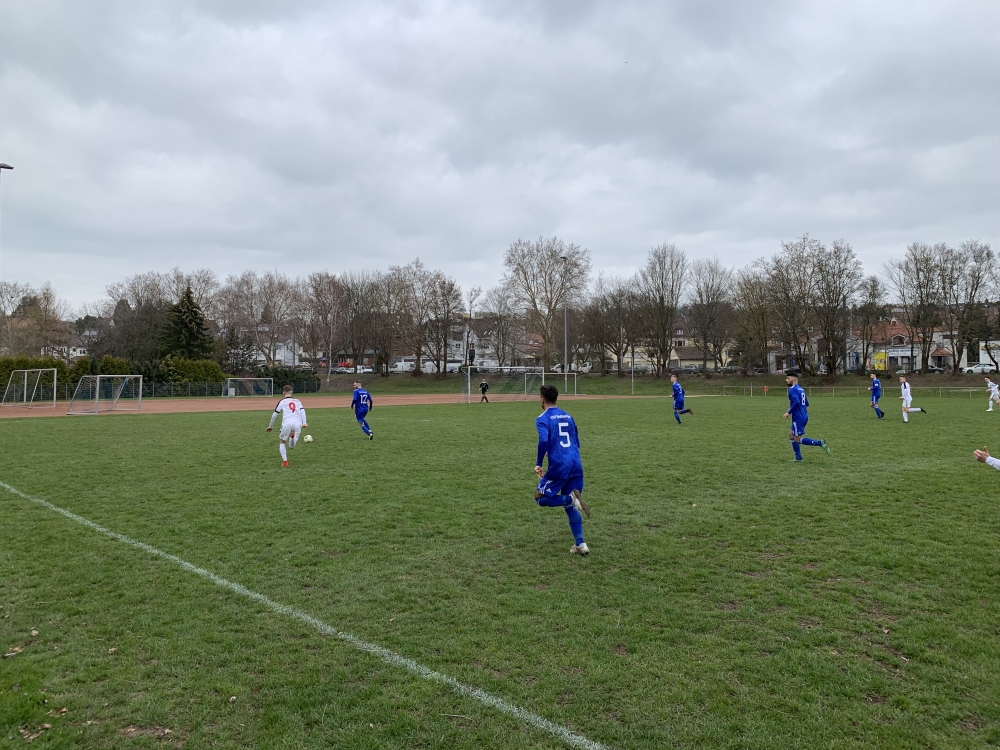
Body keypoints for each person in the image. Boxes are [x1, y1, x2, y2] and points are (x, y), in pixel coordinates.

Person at [533, 384, 591, 555]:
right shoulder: (568, 416)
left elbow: (544, 440)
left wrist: (539, 462)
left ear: (542, 399)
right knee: (570, 507)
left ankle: (570, 499)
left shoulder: (542, 418)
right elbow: (576, 442)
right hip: (575, 463)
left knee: (540, 498)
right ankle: (581, 544)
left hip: (560, 465)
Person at [781, 370, 830, 461]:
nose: (786, 380)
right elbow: (806, 403)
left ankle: (820, 443)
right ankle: (798, 458)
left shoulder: (792, 389)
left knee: (797, 439)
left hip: (798, 417)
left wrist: (788, 412)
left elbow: (796, 402)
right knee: (791, 435)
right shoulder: (801, 389)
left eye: (788, 378)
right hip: (803, 416)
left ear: (794, 380)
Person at [266, 385, 307, 467]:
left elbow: (275, 415)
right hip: (297, 423)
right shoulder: (297, 401)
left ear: (283, 392)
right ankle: (292, 437)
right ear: (292, 392)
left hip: (287, 423)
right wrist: (304, 422)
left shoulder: (282, 401)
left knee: (282, 442)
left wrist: (271, 426)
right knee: (292, 446)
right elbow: (302, 411)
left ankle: (285, 461)